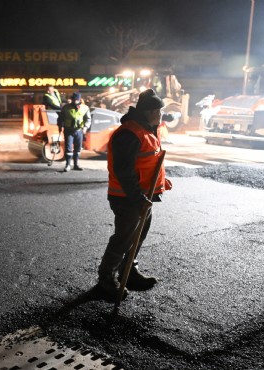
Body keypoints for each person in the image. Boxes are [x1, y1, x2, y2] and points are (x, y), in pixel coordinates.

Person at [95, 89, 173, 301]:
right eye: (159, 111)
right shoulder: (129, 133)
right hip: (129, 198)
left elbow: (148, 163)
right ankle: (106, 279)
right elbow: (123, 170)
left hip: (144, 197)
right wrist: (138, 198)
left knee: (137, 237)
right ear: (149, 112)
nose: (161, 115)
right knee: (123, 239)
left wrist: (159, 183)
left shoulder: (147, 129)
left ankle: (128, 272)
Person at [58, 91, 91, 172]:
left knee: (78, 149)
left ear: (79, 100)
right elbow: (61, 118)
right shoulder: (66, 107)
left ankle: (76, 164)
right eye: (74, 100)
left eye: (76, 100)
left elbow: (88, 119)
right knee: (69, 148)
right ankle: (68, 165)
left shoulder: (85, 108)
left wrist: (85, 127)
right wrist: (60, 126)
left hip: (79, 131)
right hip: (68, 130)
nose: (75, 101)